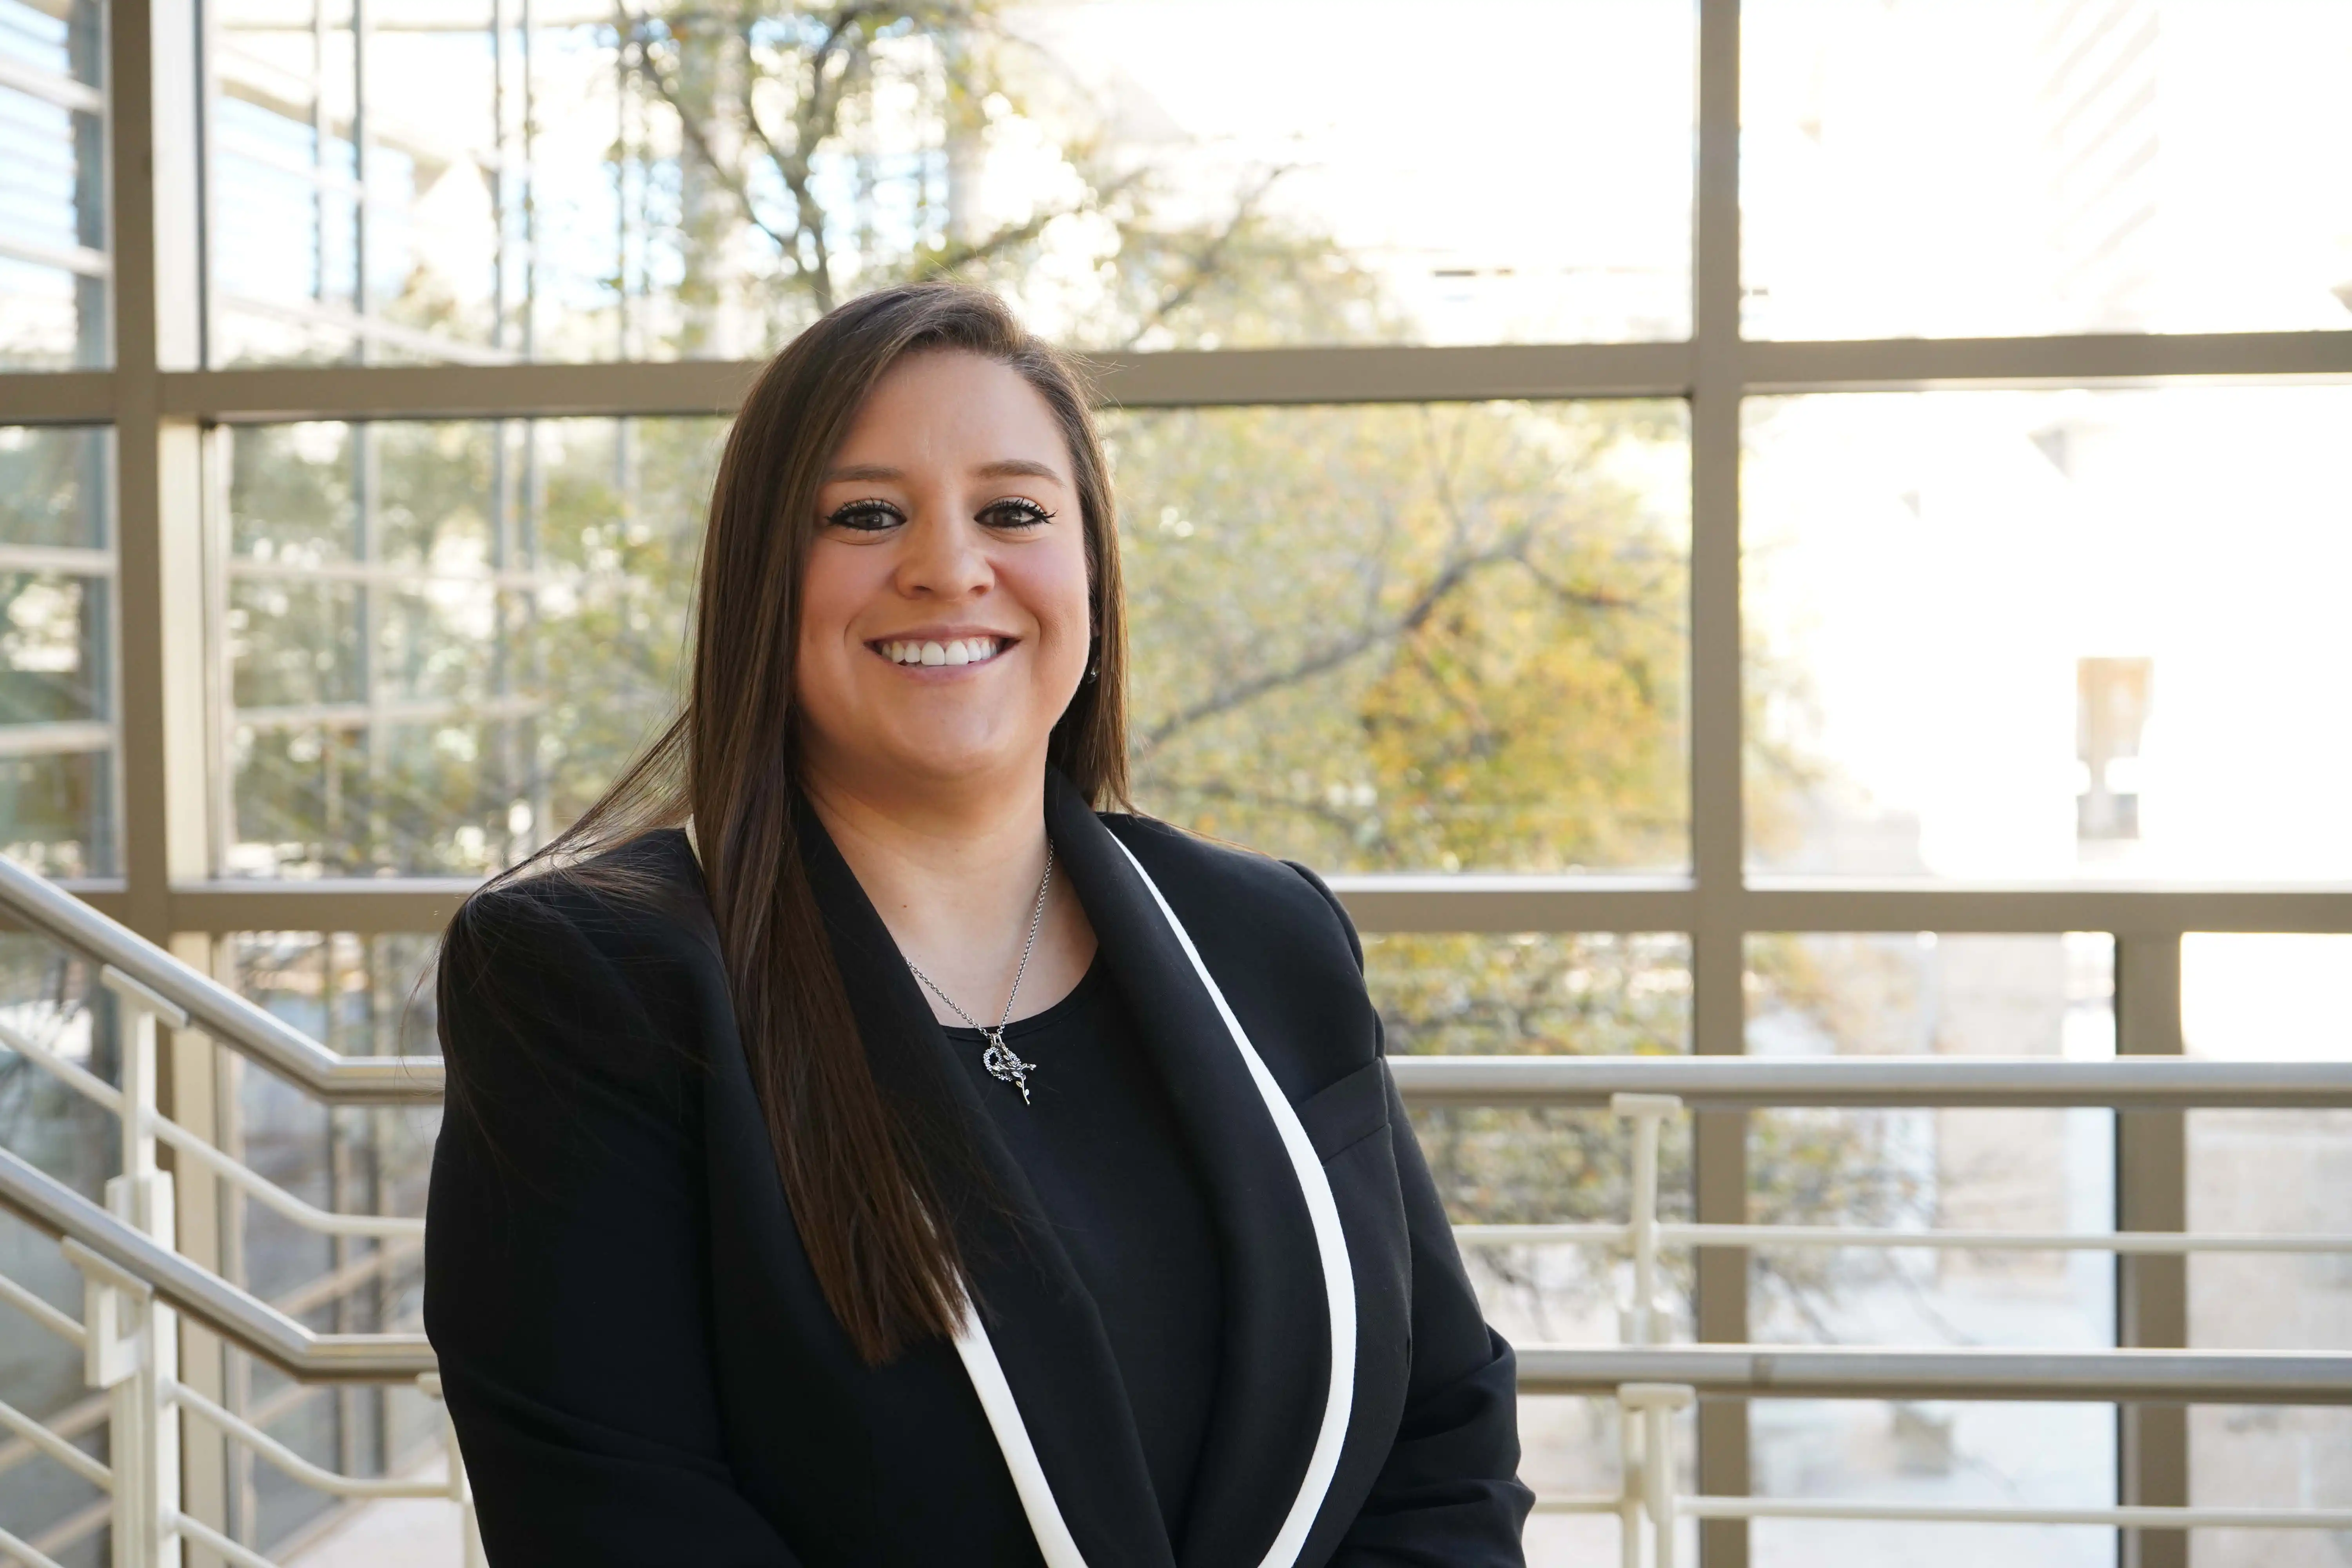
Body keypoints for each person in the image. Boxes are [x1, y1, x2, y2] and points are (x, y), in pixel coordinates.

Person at [425, 281, 1533, 1566]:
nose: (949, 566)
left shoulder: (1268, 938)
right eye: (865, 515)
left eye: (1013, 511)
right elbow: (615, 1519)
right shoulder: (590, 983)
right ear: (759, 584)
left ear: (1094, 576)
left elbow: (1440, 1432)